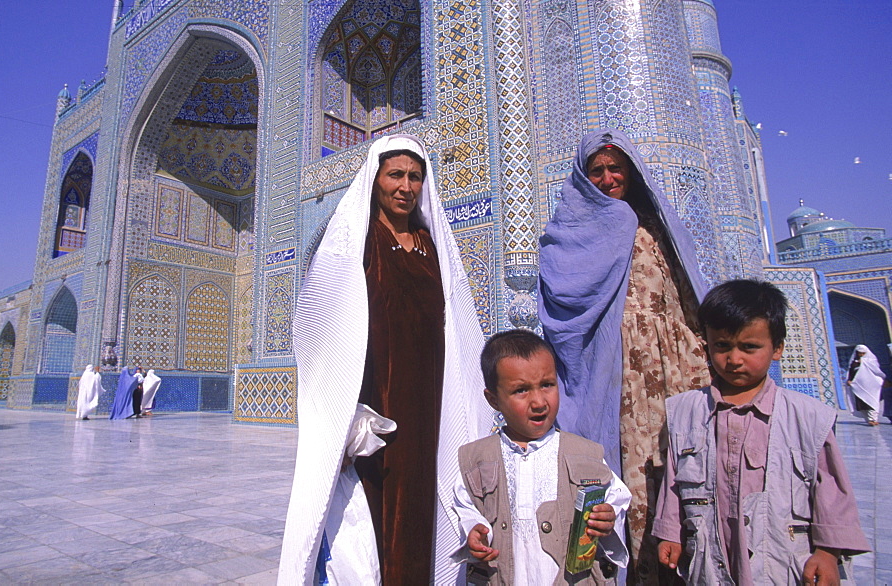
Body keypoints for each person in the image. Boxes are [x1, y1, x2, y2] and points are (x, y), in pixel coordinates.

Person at [278, 133, 491, 585]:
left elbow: (457, 324)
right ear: (375, 180)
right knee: (374, 523)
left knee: (424, 512)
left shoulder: (433, 247)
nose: (406, 186)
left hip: (431, 405)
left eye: (415, 177)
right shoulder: (356, 241)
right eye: (396, 175)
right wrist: (338, 416)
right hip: (375, 415)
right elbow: (320, 327)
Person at [538, 128, 709, 583]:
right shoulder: (570, 227)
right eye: (598, 170)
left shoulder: (654, 223)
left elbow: (685, 290)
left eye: (617, 169)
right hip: (614, 369)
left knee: (681, 460)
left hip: (671, 365)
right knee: (630, 471)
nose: (609, 178)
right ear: (582, 175)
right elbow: (561, 291)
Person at [654, 280, 870, 584]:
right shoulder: (686, 411)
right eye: (722, 346)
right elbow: (673, 482)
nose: (734, 359)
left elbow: (831, 493)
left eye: (749, 347)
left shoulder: (807, 417)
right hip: (710, 557)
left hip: (782, 559)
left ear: (778, 348)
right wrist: (670, 534)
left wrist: (827, 553)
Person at [453, 330, 630, 584]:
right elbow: (466, 509)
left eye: (547, 385)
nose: (538, 402)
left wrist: (608, 517)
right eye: (521, 391)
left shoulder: (586, 455)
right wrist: (474, 532)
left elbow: (617, 499)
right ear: (493, 400)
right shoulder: (476, 461)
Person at [847, 344, 885, 426]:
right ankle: (868, 420)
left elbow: (876, 371)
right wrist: (849, 380)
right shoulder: (854, 363)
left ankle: (873, 419)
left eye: (863, 353)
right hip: (859, 387)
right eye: (859, 353)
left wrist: (864, 362)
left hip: (871, 387)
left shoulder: (871, 361)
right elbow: (851, 373)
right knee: (862, 404)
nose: (861, 355)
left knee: (872, 402)